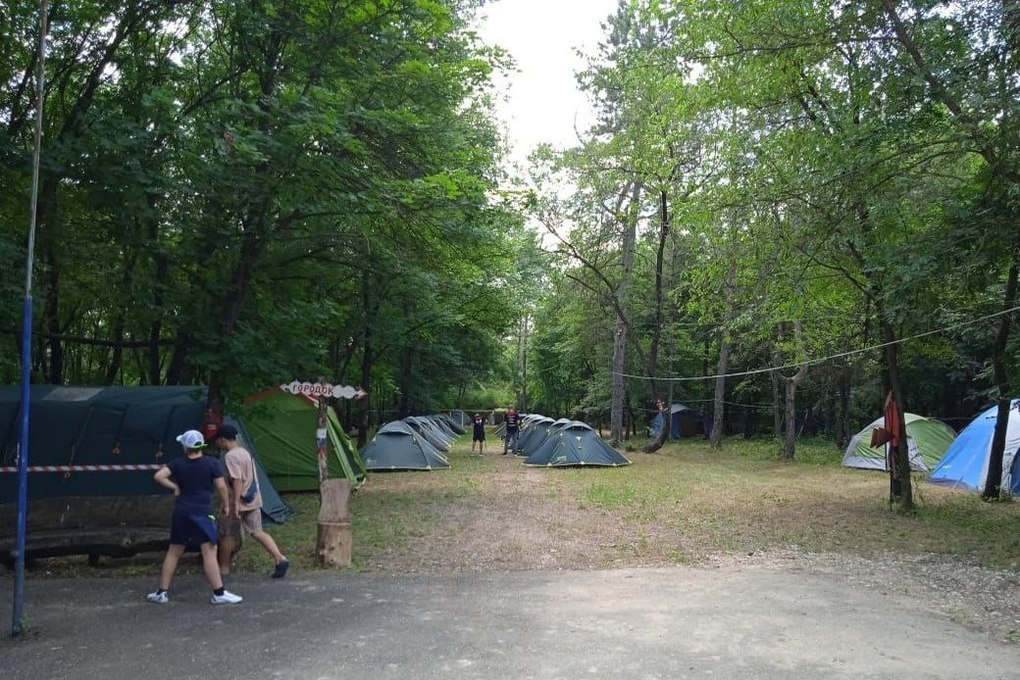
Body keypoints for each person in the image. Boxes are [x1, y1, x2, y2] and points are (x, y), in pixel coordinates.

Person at [147, 429, 242, 605]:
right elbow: (221, 486)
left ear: (185, 446)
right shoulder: (212, 463)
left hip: (182, 511)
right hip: (203, 513)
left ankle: (162, 592)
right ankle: (219, 593)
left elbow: (158, 476)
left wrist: (174, 487)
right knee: (209, 551)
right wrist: (226, 505)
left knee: (174, 551)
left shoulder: (177, 464)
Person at [210, 424, 290, 579]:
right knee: (257, 532)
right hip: (253, 499)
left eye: (218, 441)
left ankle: (224, 568)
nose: (217, 444)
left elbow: (237, 480)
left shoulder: (231, 456)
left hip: (239, 501)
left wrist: (236, 503)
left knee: (227, 534)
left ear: (223, 440)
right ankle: (280, 558)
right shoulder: (245, 452)